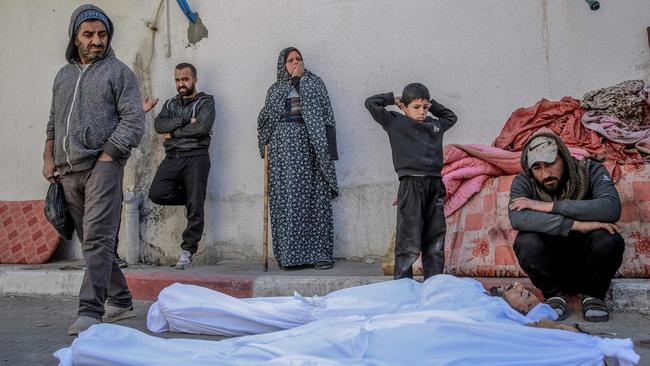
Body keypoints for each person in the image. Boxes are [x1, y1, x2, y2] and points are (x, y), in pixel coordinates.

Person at [42, 4, 145, 335]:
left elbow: (133, 119)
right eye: (88, 34)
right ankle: (122, 299)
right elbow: (53, 121)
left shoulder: (119, 73)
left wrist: (108, 156)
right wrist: (49, 156)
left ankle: (90, 310)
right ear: (75, 37)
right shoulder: (63, 76)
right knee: (92, 243)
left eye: (102, 34)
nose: (96, 40)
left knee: (98, 238)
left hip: (104, 166)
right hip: (68, 170)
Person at [146, 275, 550, 337]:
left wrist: (544, 313)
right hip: (355, 300)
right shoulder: (475, 290)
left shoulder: (486, 312)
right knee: (271, 312)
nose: (518, 288)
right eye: (520, 285)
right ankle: (180, 303)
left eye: (525, 295)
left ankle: (179, 306)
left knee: (268, 320)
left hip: (361, 314)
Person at [508, 132, 625, 322]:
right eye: (537, 167)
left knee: (608, 238)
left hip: (589, 264)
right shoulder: (524, 181)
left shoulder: (591, 170)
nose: (545, 174)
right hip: (553, 265)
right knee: (526, 241)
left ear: (564, 157)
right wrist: (578, 225)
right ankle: (554, 296)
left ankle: (593, 296)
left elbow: (610, 208)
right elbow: (518, 218)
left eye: (550, 163)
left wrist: (550, 206)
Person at [257, 47, 338, 270]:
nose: (295, 63)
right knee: (288, 199)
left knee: (315, 198)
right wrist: (291, 82)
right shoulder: (275, 89)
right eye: (290, 60)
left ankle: (320, 255)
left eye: (298, 59)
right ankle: (290, 256)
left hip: (312, 147)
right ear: (283, 65)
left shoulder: (314, 82)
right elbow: (265, 117)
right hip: (283, 152)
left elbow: (327, 114)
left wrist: (330, 152)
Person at [365, 84, 457, 280]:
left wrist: (432, 105)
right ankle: (403, 285)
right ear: (404, 107)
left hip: (435, 185)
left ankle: (434, 283)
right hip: (411, 185)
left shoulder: (434, 125)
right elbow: (371, 103)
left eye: (425, 107)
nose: (422, 112)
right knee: (408, 240)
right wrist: (392, 99)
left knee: (435, 238)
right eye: (416, 107)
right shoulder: (394, 122)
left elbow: (451, 117)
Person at [148, 63, 215, 269]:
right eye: (177, 80)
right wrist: (186, 119)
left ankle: (187, 251)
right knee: (157, 193)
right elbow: (159, 125)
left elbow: (202, 128)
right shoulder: (170, 103)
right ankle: (192, 198)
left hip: (196, 157)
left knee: (196, 207)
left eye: (185, 79)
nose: (181, 84)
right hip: (173, 157)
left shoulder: (206, 102)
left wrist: (174, 132)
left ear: (194, 79)